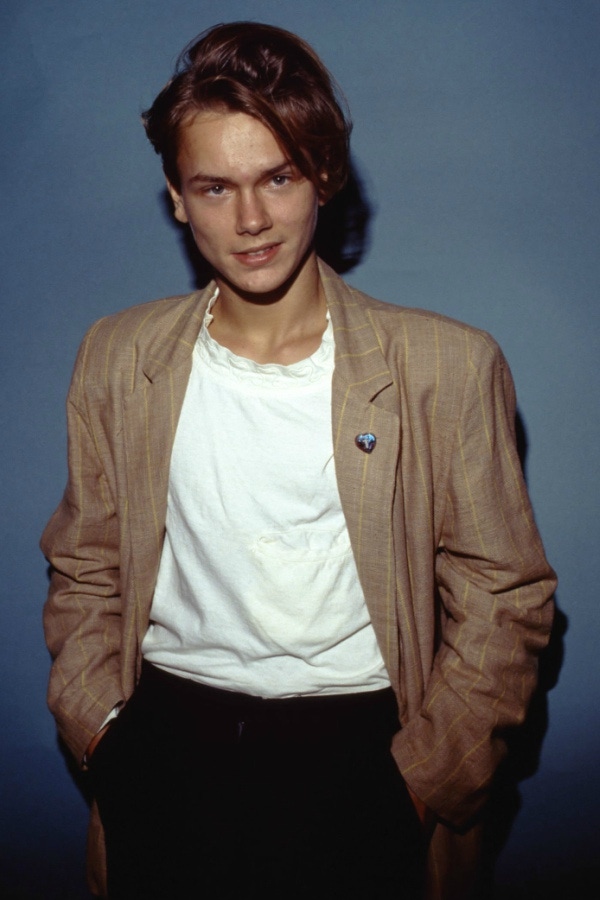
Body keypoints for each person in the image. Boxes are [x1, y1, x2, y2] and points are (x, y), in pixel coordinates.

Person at [42, 21, 556, 900]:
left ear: (322, 175)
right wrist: (103, 732)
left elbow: (504, 596)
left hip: (363, 751)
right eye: (214, 186)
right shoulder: (117, 356)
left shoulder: (446, 365)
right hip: (165, 739)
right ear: (176, 196)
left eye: (277, 177)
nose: (249, 220)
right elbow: (86, 564)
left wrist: (422, 779)